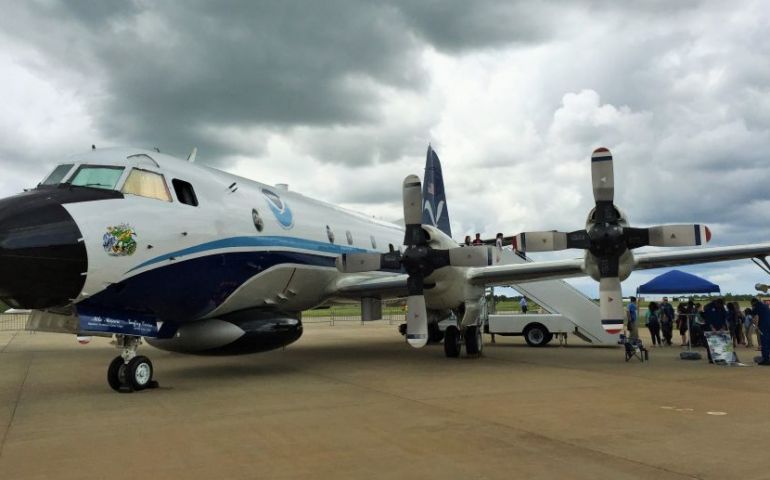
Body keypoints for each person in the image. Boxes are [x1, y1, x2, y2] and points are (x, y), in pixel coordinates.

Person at [702, 298, 727, 363]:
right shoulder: (709, 307)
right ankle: (711, 358)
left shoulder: (722, 308)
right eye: (719, 305)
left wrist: (723, 327)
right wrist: (712, 328)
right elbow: (708, 319)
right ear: (716, 303)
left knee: (719, 342)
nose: (721, 306)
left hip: (719, 327)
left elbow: (725, 317)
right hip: (710, 328)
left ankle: (720, 357)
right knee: (710, 344)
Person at [750, 298, 770, 365]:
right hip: (768, 324)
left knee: (764, 342)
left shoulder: (757, 306)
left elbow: (752, 313)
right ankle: (767, 357)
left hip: (764, 326)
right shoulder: (765, 305)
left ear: (753, 303)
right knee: (768, 341)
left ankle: (766, 359)